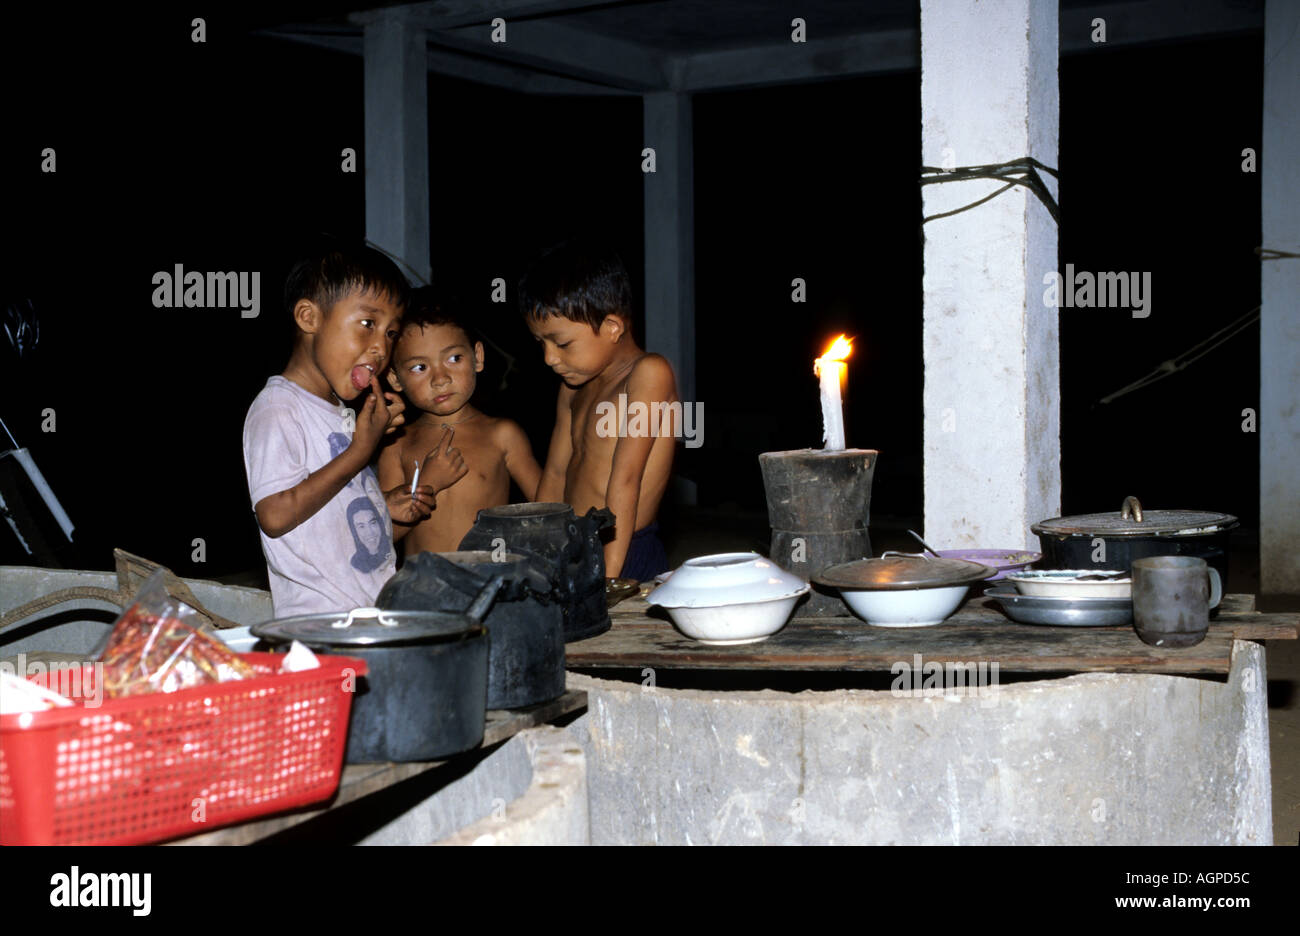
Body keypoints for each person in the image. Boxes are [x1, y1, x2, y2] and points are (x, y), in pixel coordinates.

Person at [241, 243, 444, 615]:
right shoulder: (277, 408)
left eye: (391, 333)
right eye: (368, 324)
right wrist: (359, 452)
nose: (381, 348)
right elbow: (275, 516)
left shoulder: (340, 412)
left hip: (368, 610)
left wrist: (382, 508)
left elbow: (327, 518)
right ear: (309, 317)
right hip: (320, 621)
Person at [520, 239, 675, 581]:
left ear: (612, 327)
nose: (549, 358)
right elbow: (556, 473)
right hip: (571, 544)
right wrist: (540, 548)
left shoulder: (650, 373)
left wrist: (608, 580)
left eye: (561, 343)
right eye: (540, 343)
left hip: (624, 548)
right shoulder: (571, 388)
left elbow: (626, 477)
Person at [378, 288, 542, 555]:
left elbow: (547, 511)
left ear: (477, 356)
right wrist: (427, 485)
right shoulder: (397, 443)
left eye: (454, 358)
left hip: (490, 586)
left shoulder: (502, 435)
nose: (440, 379)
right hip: (423, 589)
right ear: (395, 379)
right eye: (420, 367)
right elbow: (383, 537)